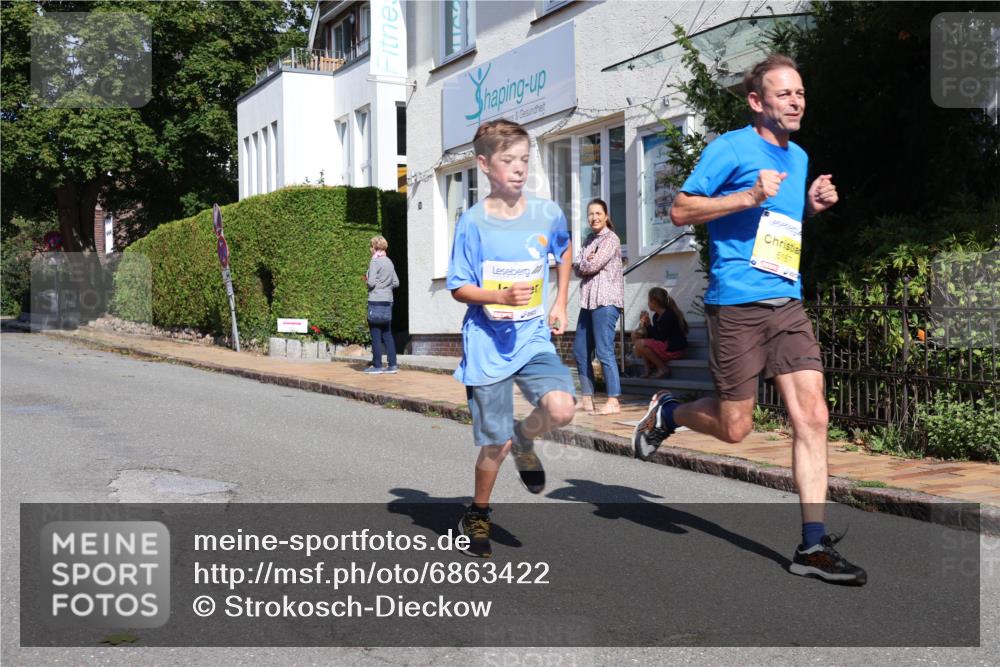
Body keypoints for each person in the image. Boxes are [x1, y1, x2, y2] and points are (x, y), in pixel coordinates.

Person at [635, 54, 867, 585]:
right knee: (736, 427)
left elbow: (776, 221)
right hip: (737, 305)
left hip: (786, 300)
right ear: (757, 101)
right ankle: (669, 413)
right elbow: (680, 209)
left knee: (813, 415)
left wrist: (809, 207)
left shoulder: (799, 156)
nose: (797, 101)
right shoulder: (730, 148)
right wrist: (747, 194)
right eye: (785, 94)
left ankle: (812, 547)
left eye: (800, 93)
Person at [447, 119, 576, 558]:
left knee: (561, 408)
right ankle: (477, 513)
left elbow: (564, 251)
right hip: (487, 343)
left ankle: (525, 437)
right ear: (485, 164)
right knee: (495, 443)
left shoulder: (547, 213)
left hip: (532, 335)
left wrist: (560, 303)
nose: (519, 168)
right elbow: (458, 286)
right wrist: (498, 296)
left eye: (524, 159)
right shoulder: (472, 223)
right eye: (508, 160)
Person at [573, 198, 625, 415]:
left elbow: (591, 265)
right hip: (588, 302)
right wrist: (584, 261)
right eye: (590, 214)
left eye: (598, 213)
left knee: (604, 350)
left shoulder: (611, 239)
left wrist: (585, 261)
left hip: (605, 301)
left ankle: (613, 400)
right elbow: (576, 266)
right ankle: (587, 398)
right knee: (580, 349)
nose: (594, 217)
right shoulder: (589, 239)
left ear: (606, 216)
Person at [632, 286, 688, 379]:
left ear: (654, 301)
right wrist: (646, 325)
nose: (648, 303)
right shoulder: (656, 316)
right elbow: (656, 335)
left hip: (674, 350)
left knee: (639, 343)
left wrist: (647, 330)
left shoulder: (668, 315)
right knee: (637, 339)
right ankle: (648, 370)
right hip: (665, 346)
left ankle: (663, 369)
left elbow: (660, 337)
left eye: (649, 301)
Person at [363, 235, 400, 374]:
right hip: (388, 301)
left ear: (375, 247)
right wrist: (385, 287)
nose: (370, 249)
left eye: (371, 246)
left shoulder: (375, 261)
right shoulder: (389, 261)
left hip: (376, 300)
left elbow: (371, 282)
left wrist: (369, 282)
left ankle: (377, 366)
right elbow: (396, 282)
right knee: (387, 333)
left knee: (376, 334)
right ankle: (392, 365)